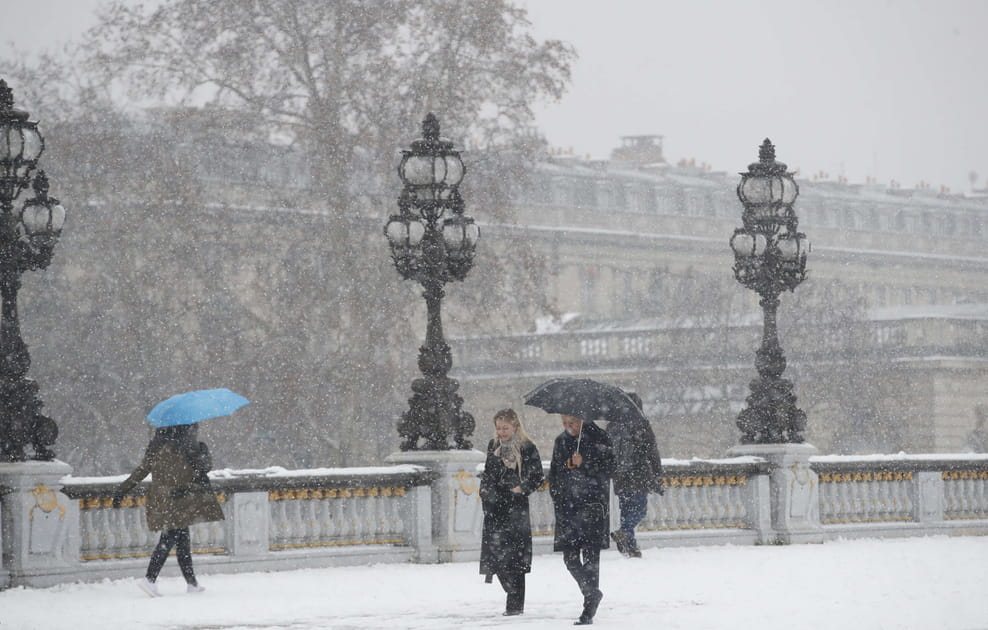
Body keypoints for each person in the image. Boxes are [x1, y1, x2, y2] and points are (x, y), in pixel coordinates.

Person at [113, 423, 224, 597]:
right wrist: (201, 452)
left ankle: (192, 583)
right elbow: (200, 471)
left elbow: (140, 472)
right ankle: (149, 579)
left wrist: (121, 490)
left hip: (161, 500)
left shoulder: (156, 448)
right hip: (180, 501)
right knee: (169, 539)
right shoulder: (187, 448)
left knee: (182, 541)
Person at [547, 413, 615, 625]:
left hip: (592, 507)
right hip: (568, 507)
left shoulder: (600, 439)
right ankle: (592, 592)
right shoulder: (562, 441)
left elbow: (610, 468)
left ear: (583, 420)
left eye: (572, 423)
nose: (568, 427)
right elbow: (555, 473)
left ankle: (588, 610)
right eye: (565, 423)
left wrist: (587, 461)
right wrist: (568, 466)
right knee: (570, 558)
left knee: (591, 558)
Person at [479, 408, 544, 616]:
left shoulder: (527, 447)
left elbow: (538, 476)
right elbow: (488, 472)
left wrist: (521, 488)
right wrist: (485, 489)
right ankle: (512, 594)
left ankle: (514, 605)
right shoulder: (494, 445)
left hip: (515, 509)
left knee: (515, 560)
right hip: (495, 508)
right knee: (495, 557)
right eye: (498, 428)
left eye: (505, 427)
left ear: (515, 426)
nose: (501, 432)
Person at [607, 392, 663, 558]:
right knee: (639, 511)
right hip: (638, 474)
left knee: (627, 510)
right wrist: (657, 473)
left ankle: (630, 546)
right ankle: (624, 533)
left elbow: (606, 451)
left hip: (620, 477)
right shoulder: (641, 424)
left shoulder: (612, 425)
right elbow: (652, 451)